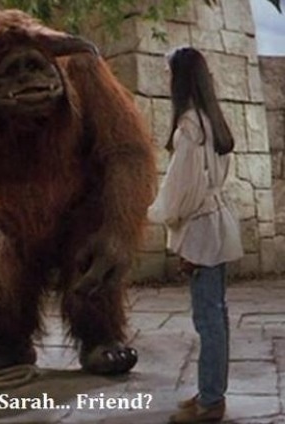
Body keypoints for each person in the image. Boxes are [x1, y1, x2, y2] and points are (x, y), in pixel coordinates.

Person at [147, 46, 244, 423]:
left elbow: (180, 191)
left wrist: (157, 213)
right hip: (215, 224)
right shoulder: (211, 120)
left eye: (170, 74)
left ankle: (210, 401)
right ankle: (210, 392)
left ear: (181, 79)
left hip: (203, 230)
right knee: (215, 315)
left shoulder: (190, 126)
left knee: (208, 319)